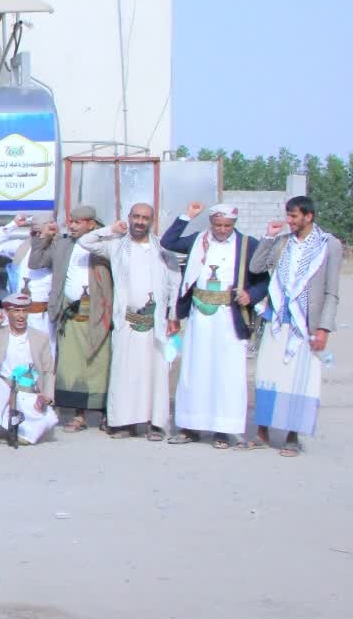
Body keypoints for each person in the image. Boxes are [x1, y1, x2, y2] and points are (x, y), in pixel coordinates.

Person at [160, 202, 268, 448]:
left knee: (227, 373)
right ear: (211, 223)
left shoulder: (248, 245)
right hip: (200, 317)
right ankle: (190, 427)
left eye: (227, 226)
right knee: (195, 370)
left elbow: (263, 281)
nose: (221, 230)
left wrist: (250, 295)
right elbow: (169, 241)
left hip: (230, 317)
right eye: (217, 225)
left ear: (234, 224)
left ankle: (223, 430)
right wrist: (187, 216)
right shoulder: (198, 240)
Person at [247, 195, 343, 457]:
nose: (289, 220)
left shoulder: (329, 245)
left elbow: (332, 291)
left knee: (299, 380)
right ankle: (263, 430)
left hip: (306, 326)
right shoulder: (282, 242)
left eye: (294, 216)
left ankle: (292, 435)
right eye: (288, 215)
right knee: (268, 374)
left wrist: (323, 328)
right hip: (277, 321)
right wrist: (268, 237)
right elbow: (256, 267)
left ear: (308, 216)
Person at [78, 203, 180, 440]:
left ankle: (155, 424)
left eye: (145, 218)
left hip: (155, 323)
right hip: (127, 322)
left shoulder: (163, 248)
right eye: (136, 216)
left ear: (152, 221)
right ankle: (125, 423)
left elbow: (175, 282)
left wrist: (173, 315)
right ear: (129, 217)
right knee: (125, 373)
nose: (140, 222)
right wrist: (111, 229)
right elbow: (85, 241)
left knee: (155, 374)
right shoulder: (116, 246)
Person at [27, 205, 113, 433]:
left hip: (98, 313)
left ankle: (106, 414)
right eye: (70, 222)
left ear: (91, 224)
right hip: (71, 314)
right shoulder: (63, 244)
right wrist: (42, 238)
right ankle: (79, 416)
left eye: (78, 222)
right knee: (73, 366)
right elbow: (35, 263)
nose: (72, 226)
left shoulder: (105, 245)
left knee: (100, 364)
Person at [0, 293, 58, 445]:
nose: (21, 316)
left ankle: (20, 429)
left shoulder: (40, 337)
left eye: (24, 311)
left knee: (47, 419)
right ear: (7, 312)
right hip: (3, 388)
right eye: (16, 311)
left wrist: (47, 396)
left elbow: (48, 370)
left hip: (28, 391)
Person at [0, 212, 56, 343]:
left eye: (40, 231)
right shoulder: (22, 246)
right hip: (16, 313)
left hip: (41, 316)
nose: (37, 235)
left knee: (43, 350)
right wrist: (14, 224)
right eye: (34, 231)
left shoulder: (55, 249)